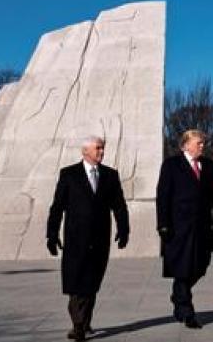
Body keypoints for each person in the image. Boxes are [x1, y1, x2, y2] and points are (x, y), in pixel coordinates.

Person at [46, 135, 130, 341]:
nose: (101, 152)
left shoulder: (110, 175)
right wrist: (51, 234)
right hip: (76, 239)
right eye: (98, 148)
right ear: (85, 151)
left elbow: (119, 205)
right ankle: (78, 326)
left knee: (91, 284)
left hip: (100, 239)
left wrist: (124, 229)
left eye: (102, 148)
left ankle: (84, 321)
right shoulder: (69, 174)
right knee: (76, 284)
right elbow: (57, 207)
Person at [155, 129, 213, 329]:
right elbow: (163, 196)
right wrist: (163, 224)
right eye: (198, 143)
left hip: (203, 227)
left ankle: (178, 293)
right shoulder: (171, 165)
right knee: (183, 268)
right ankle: (187, 312)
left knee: (200, 266)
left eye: (203, 143)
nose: (202, 146)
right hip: (179, 227)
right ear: (185, 145)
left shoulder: (209, 165)